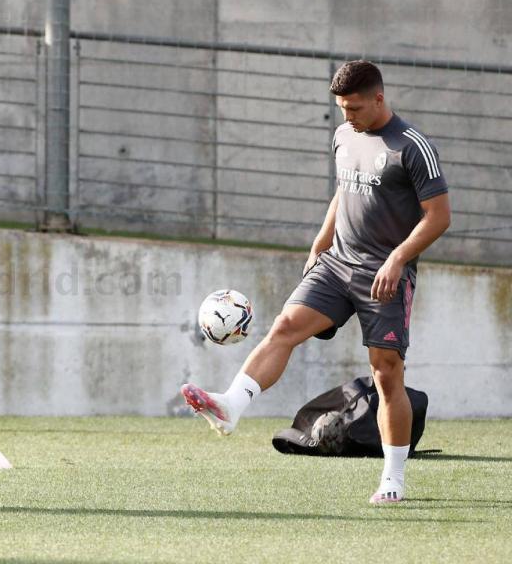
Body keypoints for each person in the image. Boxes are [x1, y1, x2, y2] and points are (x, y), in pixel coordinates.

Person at [181, 60, 451, 504]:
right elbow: (346, 189)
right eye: (342, 108)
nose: (348, 116)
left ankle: (393, 479)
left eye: (356, 108)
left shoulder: (413, 147)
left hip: (383, 276)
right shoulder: (344, 135)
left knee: (386, 375)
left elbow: (439, 217)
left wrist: (399, 258)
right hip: (336, 263)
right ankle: (231, 405)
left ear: (379, 98)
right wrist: (320, 241)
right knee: (284, 328)